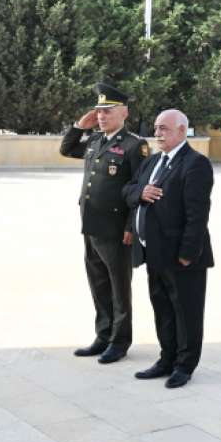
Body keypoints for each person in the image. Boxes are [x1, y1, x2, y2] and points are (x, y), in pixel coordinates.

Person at [59, 83, 149, 363]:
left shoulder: (135, 145)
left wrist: (130, 227)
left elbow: (139, 189)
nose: (101, 116)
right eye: (98, 111)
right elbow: (66, 149)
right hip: (91, 226)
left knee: (119, 288)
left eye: (107, 111)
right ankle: (103, 335)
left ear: (124, 113)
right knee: (98, 283)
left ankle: (119, 342)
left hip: (116, 230)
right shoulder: (96, 140)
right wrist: (79, 126)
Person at [126, 109, 214, 389]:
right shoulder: (152, 161)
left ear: (181, 131)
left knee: (186, 314)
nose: (157, 133)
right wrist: (141, 193)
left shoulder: (196, 164)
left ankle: (184, 366)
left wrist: (187, 255)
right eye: (156, 128)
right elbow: (128, 190)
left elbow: (197, 216)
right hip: (154, 253)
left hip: (181, 258)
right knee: (163, 310)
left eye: (164, 128)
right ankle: (166, 359)